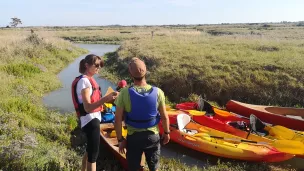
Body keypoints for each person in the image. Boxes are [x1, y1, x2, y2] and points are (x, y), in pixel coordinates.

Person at [114, 57, 170, 171]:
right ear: (146, 71)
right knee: (154, 168)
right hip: (153, 137)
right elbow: (164, 117)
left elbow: (118, 119)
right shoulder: (158, 92)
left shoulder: (124, 93)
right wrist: (167, 132)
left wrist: (120, 140)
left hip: (134, 139)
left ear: (130, 74)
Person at [71, 54, 119, 171]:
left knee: (89, 151)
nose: (99, 67)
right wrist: (106, 99)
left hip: (93, 119)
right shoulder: (84, 82)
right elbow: (87, 108)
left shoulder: (88, 80)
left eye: (100, 65)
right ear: (87, 65)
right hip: (90, 121)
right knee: (93, 156)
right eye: (96, 65)